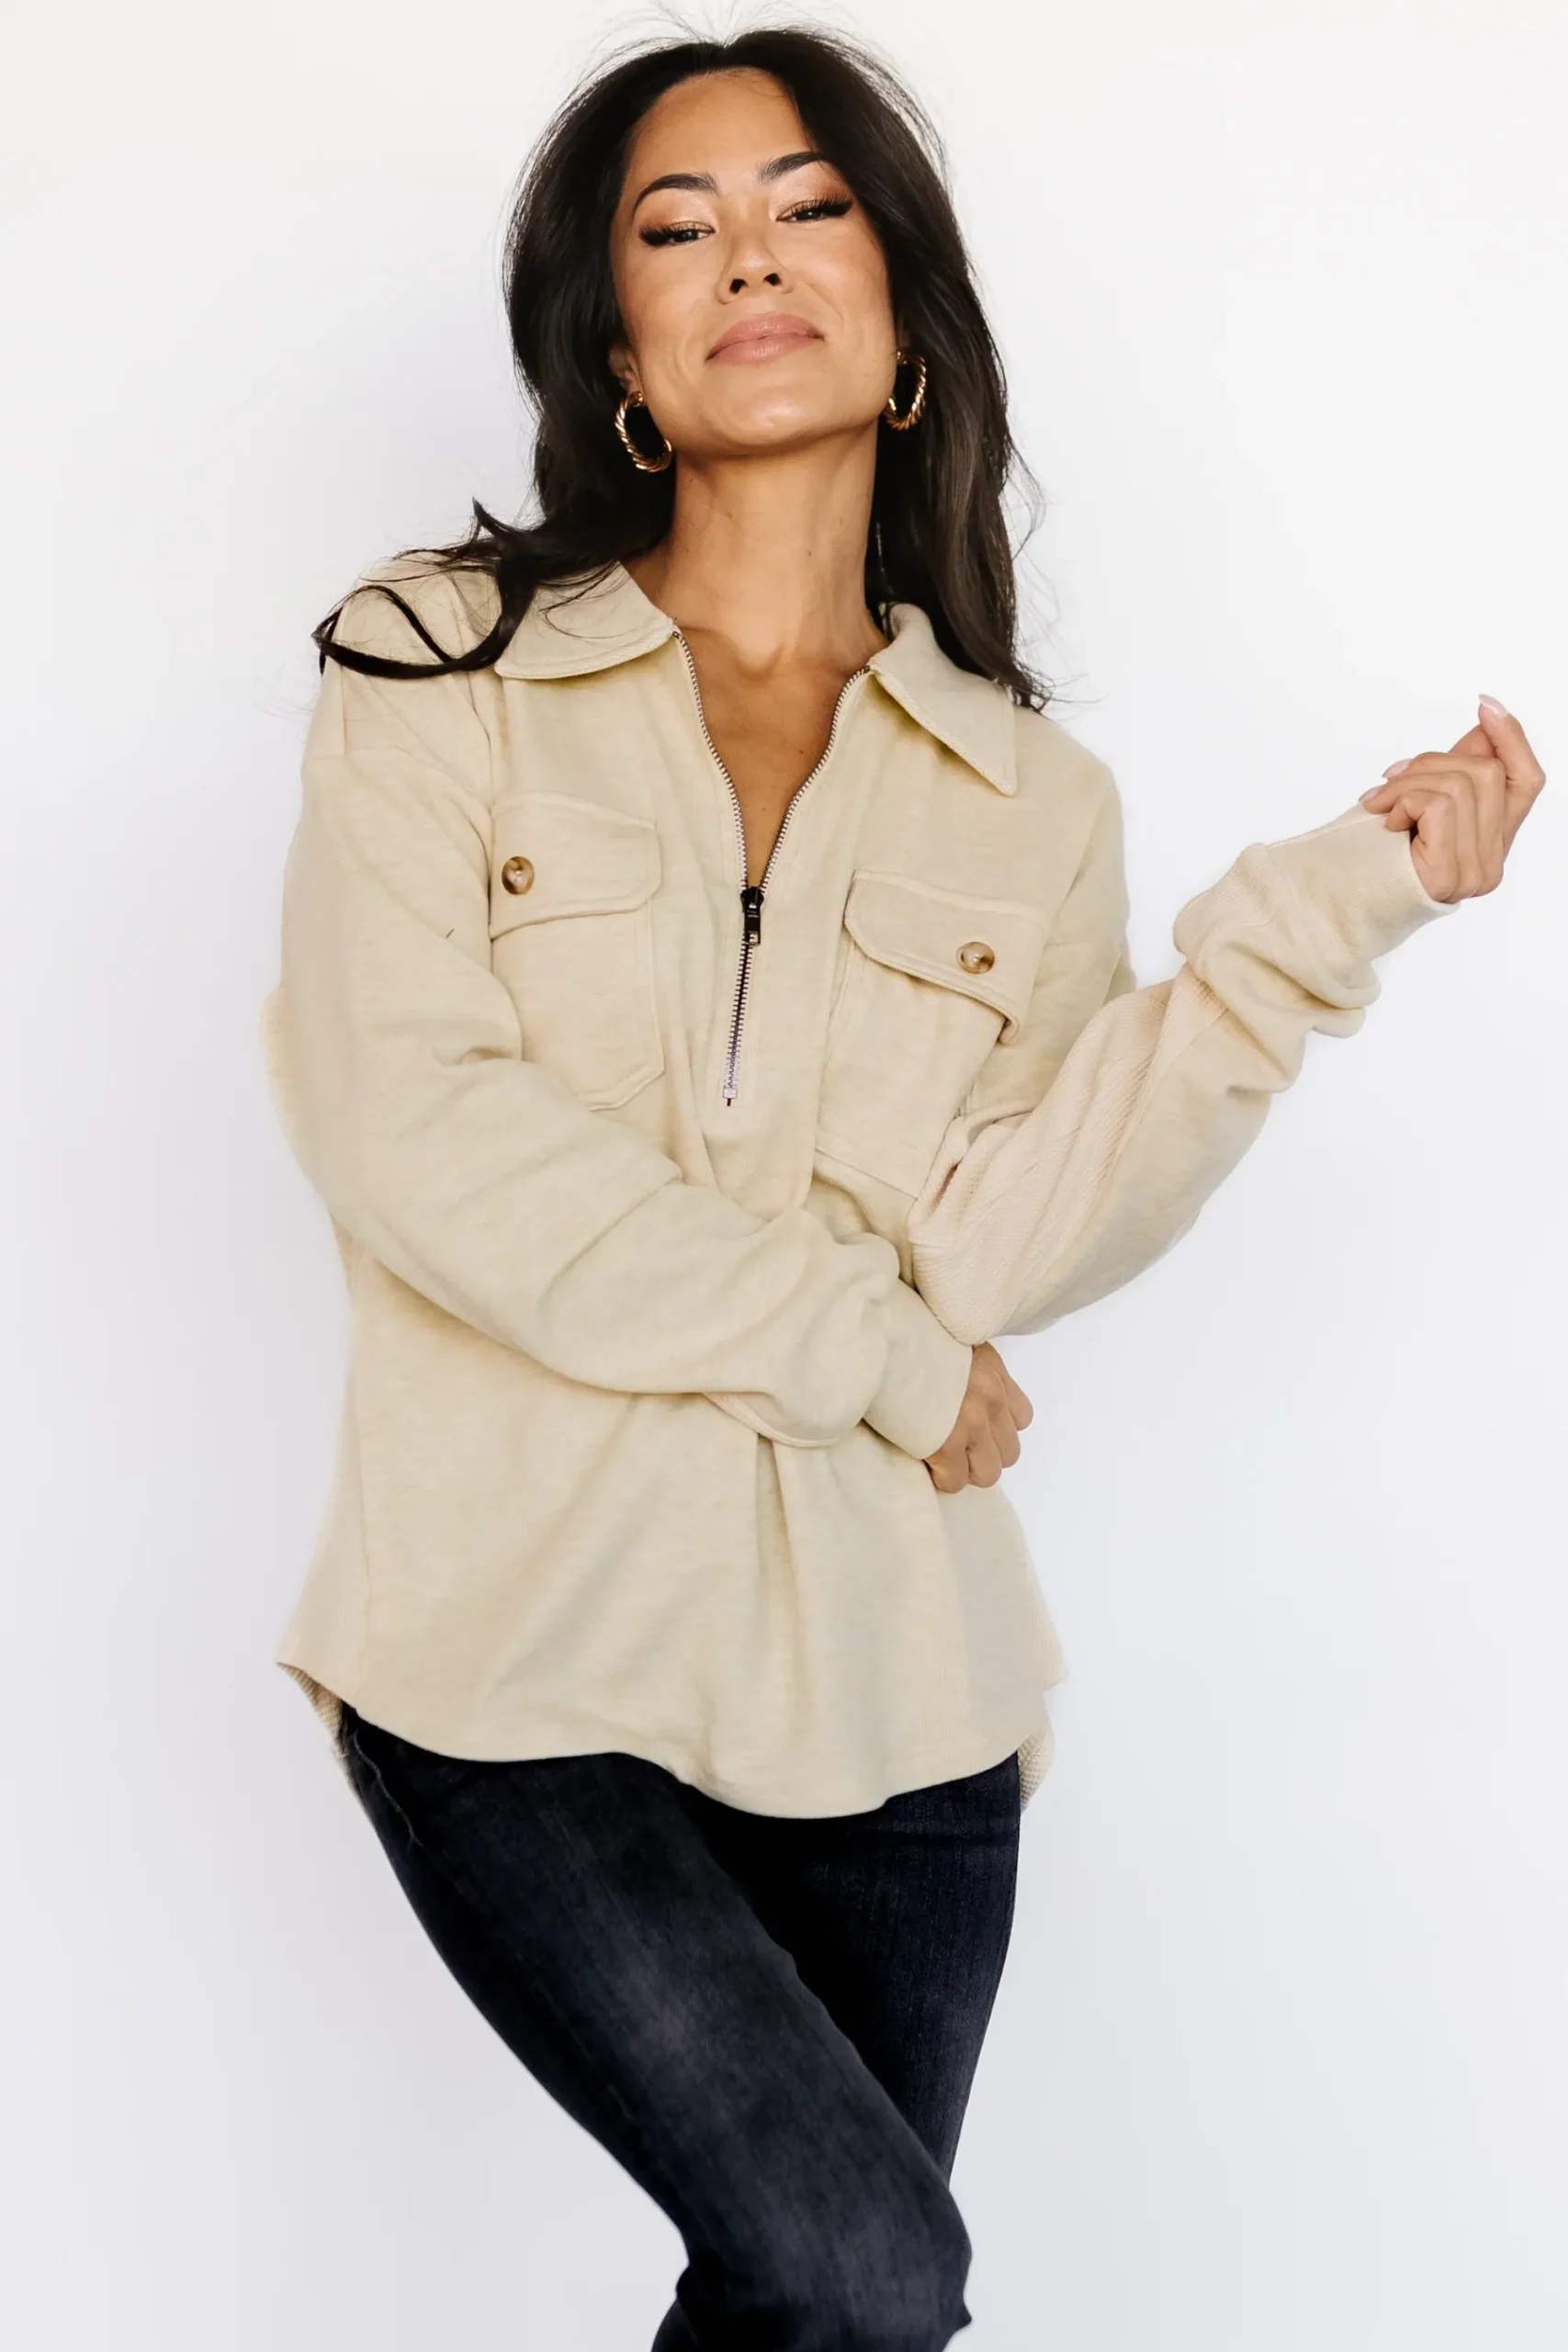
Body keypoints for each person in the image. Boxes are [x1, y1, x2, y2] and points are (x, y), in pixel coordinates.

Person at [261, 25, 1540, 2351]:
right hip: (508, 1663)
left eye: (807, 207)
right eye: (677, 226)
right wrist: (869, 1344)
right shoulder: (440, 665)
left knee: (815, 2316)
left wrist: (1331, 910)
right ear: (619, 350)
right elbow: (419, 1129)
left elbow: (1000, 1239)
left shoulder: (1023, 795)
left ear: (901, 311)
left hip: (900, 1698)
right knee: (863, 2273)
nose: (749, 256)